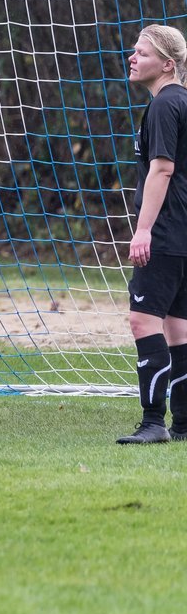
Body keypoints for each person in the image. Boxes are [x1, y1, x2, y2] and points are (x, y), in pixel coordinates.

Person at [116, 25, 187, 444]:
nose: (132, 57)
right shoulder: (181, 101)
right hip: (183, 234)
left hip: (165, 232)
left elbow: (163, 169)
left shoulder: (164, 105)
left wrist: (143, 230)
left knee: (143, 321)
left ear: (167, 64)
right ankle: (182, 424)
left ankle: (152, 422)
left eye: (141, 53)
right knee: (179, 329)